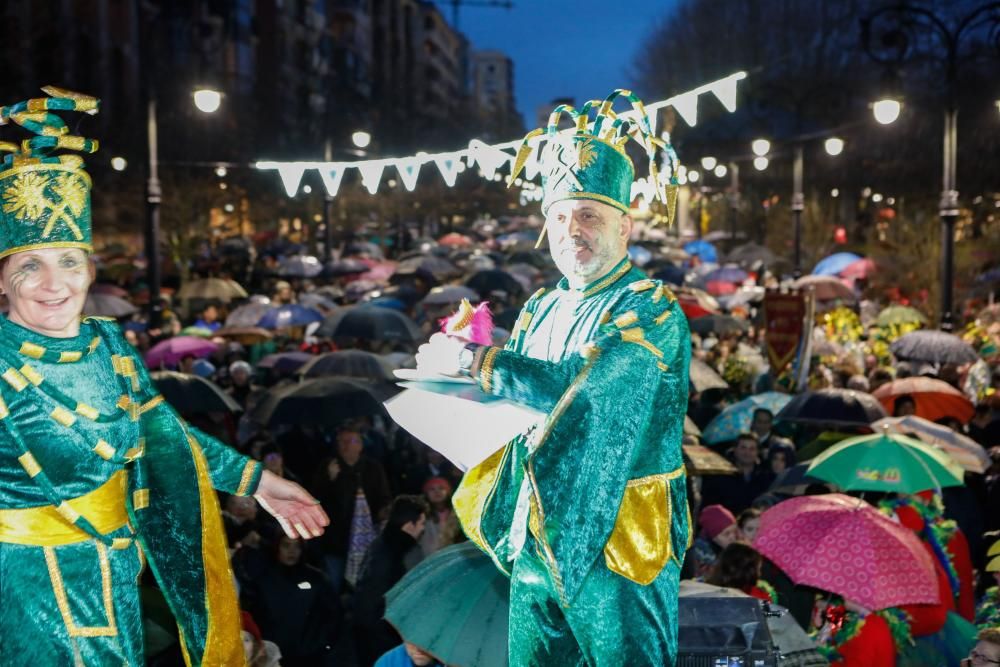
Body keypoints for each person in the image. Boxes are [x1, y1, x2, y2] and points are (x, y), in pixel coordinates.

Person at [0, 88, 327, 665]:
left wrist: (259, 483)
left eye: (70, 261)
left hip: (116, 577)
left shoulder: (108, 343)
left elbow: (166, 439)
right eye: (31, 265)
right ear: (2, 280)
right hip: (22, 600)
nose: (55, 283)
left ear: (90, 268)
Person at [416, 91, 690, 665]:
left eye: (589, 214)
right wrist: (448, 381)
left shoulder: (651, 309)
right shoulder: (541, 305)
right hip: (534, 527)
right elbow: (513, 400)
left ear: (625, 226)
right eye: (560, 216)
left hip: (617, 535)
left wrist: (480, 364)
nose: (572, 230)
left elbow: (581, 389)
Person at [313, 426, 393, 593]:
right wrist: (330, 480)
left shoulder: (373, 468)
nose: (347, 445)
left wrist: (383, 513)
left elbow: (384, 499)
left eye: (353, 441)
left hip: (365, 539)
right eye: (343, 441)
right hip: (335, 540)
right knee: (333, 587)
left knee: (363, 587)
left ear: (361, 445)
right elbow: (316, 500)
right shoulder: (328, 466)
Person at [239, 535, 341, 666]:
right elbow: (251, 616)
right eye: (286, 545)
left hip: (308, 657)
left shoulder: (317, 579)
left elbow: (333, 615)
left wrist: (321, 645)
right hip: (271, 655)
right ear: (277, 547)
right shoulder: (264, 579)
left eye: (297, 546)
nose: (291, 551)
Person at [354, 495, 429, 666]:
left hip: (368, 631)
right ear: (410, 525)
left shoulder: (378, 546)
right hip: (388, 633)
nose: (423, 529)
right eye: (422, 523)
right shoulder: (407, 553)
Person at [701, 432, 775, 514]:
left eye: (752, 449)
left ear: (757, 452)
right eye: (743, 448)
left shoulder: (765, 477)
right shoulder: (721, 475)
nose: (747, 452)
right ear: (735, 450)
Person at [683, 504, 743, 579]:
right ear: (713, 535)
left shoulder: (731, 548)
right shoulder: (699, 553)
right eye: (726, 534)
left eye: (734, 531)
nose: (732, 537)